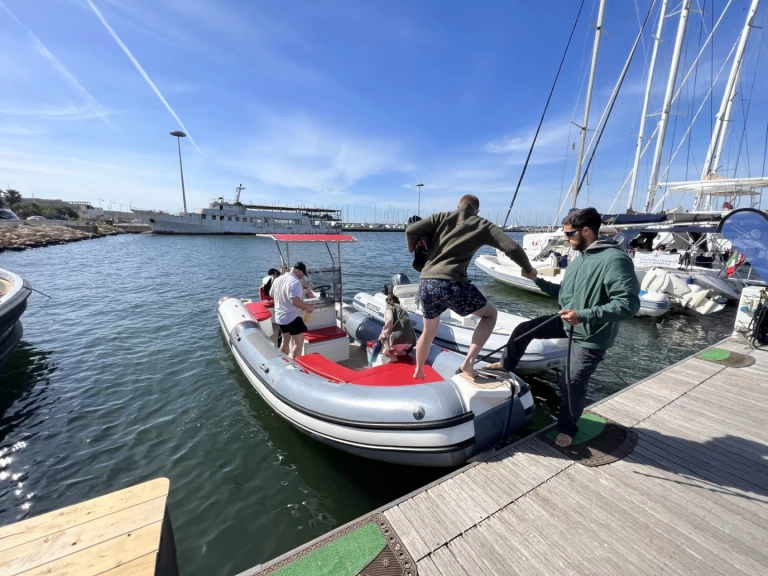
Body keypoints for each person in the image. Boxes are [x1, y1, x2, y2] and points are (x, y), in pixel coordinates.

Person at [485, 208, 640, 447]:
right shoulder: (581, 258)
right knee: (523, 330)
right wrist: (536, 280)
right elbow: (564, 295)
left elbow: (628, 305)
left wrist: (583, 315)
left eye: (569, 234)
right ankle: (507, 365)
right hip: (570, 321)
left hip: (591, 335)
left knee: (570, 383)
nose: (565, 238)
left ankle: (567, 428)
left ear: (586, 231)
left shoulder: (615, 260)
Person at [405, 194, 534, 380]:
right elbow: (512, 247)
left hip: (426, 282)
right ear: (477, 210)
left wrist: (413, 252)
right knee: (490, 315)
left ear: (458, 205)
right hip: (452, 282)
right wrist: (528, 269)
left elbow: (411, 231)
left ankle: (419, 370)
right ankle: (469, 362)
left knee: (429, 329)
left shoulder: (440, 217)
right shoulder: (482, 225)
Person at [270, 262, 315, 358]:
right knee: (298, 344)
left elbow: (271, 294)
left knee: (284, 341)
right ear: (298, 271)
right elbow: (296, 302)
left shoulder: (277, 279)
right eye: (303, 274)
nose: (302, 277)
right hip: (292, 317)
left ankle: (283, 362)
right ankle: (296, 366)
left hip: (280, 317)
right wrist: (308, 307)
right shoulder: (295, 282)